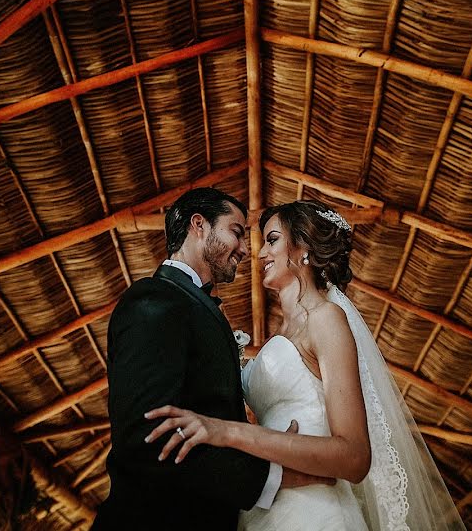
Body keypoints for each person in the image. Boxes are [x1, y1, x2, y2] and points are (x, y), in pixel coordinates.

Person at [145, 200, 467, 530]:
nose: (259, 255)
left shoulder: (326, 320)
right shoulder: (278, 337)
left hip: (314, 513)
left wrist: (226, 432)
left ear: (303, 248)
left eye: (271, 240)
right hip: (266, 508)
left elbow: (354, 457)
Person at [91, 189, 331, 531]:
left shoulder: (187, 306)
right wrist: (270, 478)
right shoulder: (154, 301)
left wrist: (272, 445)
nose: (246, 250)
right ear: (199, 225)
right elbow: (148, 435)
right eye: (236, 231)